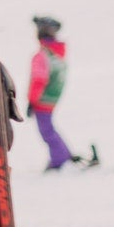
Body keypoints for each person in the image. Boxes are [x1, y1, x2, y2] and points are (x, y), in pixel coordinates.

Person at [28, 15, 73, 170]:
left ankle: (60, 158)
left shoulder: (42, 56)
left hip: (43, 99)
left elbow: (38, 80)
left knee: (46, 130)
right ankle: (63, 154)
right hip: (52, 97)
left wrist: (32, 101)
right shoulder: (56, 53)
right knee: (49, 128)